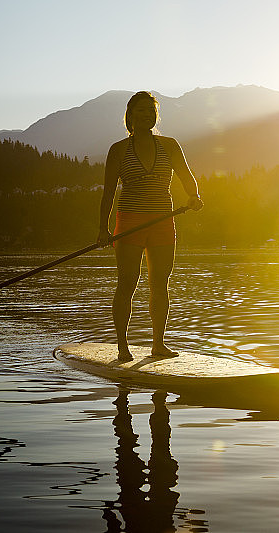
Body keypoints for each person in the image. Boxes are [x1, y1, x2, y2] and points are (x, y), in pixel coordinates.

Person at [97, 91, 203, 362]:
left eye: (151, 110)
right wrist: (103, 229)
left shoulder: (170, 145)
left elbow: (186, 177)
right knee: (127, 284)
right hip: (129, 222)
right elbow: (108, 192)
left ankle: (158, 344)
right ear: (130, 116)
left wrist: (193, 196)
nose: (147, 114)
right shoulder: (118, 149)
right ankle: (123, 346)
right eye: (140, 110)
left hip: (162, 222)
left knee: (160, 283)